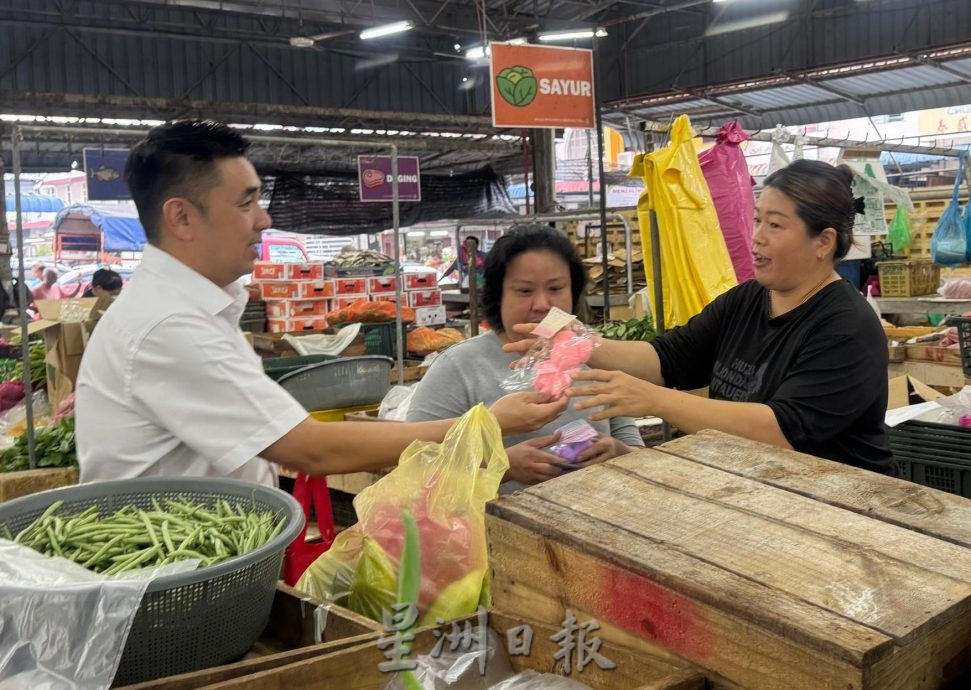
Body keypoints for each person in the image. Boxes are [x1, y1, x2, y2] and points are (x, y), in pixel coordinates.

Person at [75, 120, 566, 485]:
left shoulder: (188, 310)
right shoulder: (170, 325)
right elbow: (312, 449)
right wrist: (485, 426)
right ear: (181, 218)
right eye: (246, 203)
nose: (264, 220)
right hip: (176, 592)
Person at [506, 160, 893, 474]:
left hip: (844, 507)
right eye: (757, 220)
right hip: (764, 492)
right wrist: (582, 340)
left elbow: (783, 431)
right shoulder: (747, 300)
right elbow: (669, 358)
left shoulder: (847, 327)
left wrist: (655, 401)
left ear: (823, 242)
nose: (757, 236)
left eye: (775, 225)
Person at [407, 224, 644, 486]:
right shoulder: (459, 367)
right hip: (496, 526)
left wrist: (617, 453)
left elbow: (636, 452)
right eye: (524, 291)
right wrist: (502, 468)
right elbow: (416, 469)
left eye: (555, 289)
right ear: (498, 296)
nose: (542, 305)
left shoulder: (594, 355)